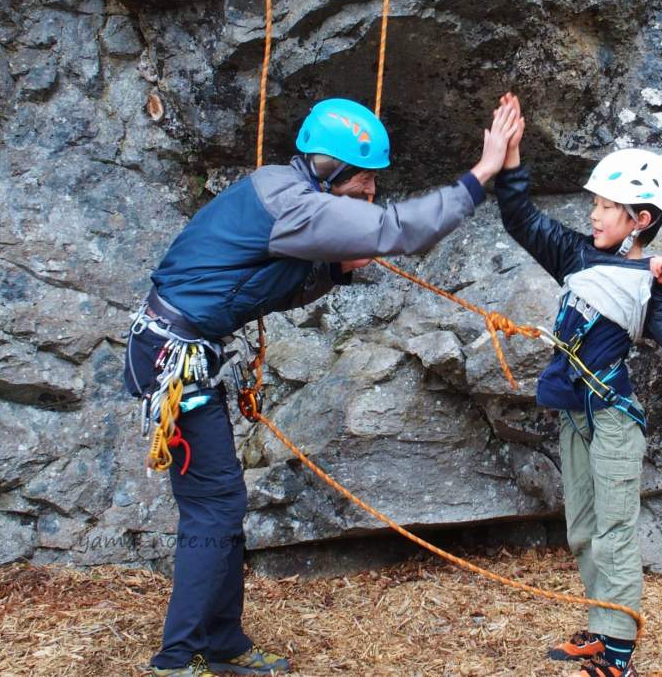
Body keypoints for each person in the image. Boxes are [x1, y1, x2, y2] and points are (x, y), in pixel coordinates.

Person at [124, 97, 522, 677]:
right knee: (216, 506)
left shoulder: (282, 193)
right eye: (363, 185)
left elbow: (261, 287)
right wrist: (482, 173)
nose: (368, 198)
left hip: (177, 350)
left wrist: (335, 270)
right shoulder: (294, 204)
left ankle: (224, 643)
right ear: (331, 168)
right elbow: (398, 230)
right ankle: (178, 659)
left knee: (219, 503)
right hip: (173, 358)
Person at [493, 94, 662, 677]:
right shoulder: (578, 256)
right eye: (594, 204)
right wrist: (512, 160)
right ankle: (599, 625)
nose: (594, 215)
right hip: (575, 412)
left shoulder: (649, 284)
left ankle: (619, 654)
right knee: (584, 527)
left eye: (608, 208)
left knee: (614, 529)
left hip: (614, 416)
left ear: (640, 220)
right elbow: (522, 221)